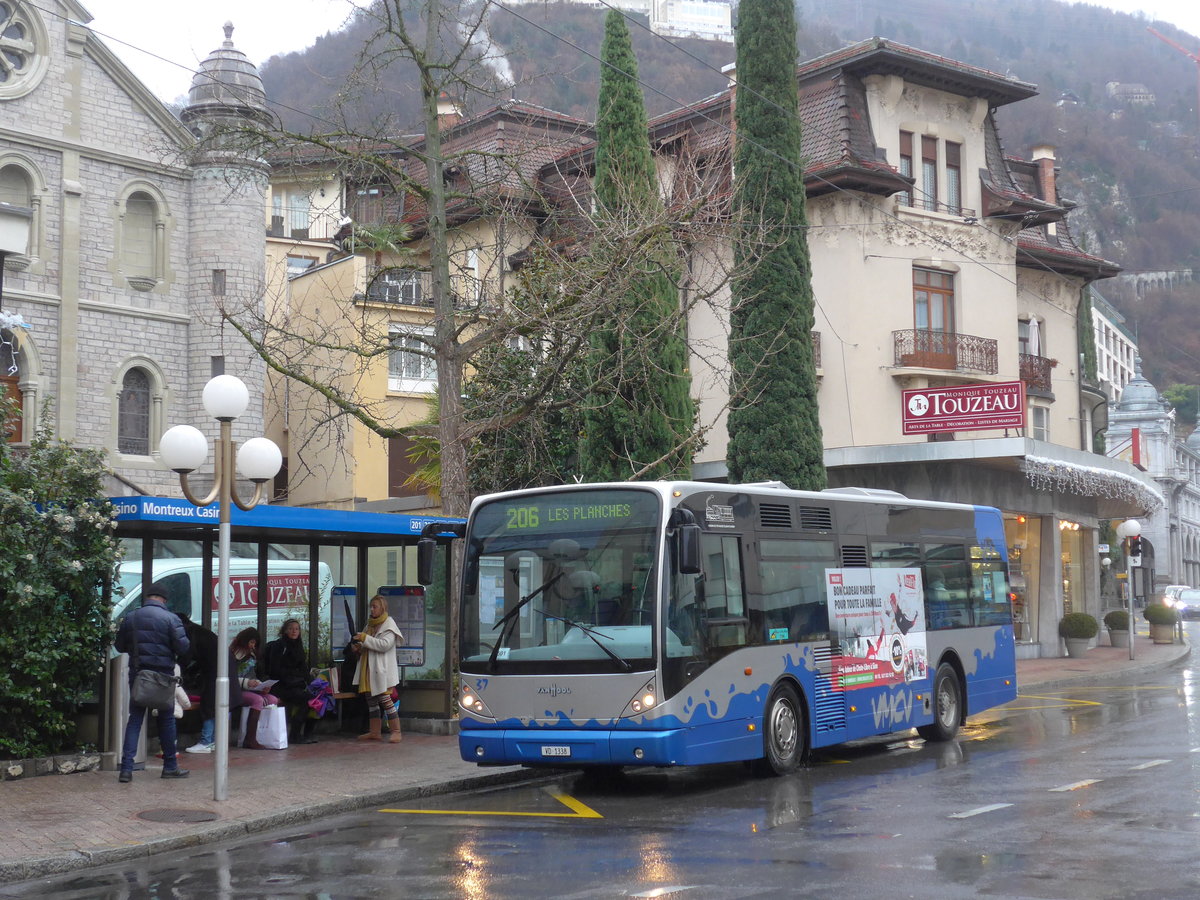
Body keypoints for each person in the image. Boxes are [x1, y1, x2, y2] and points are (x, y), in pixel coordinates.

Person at [113, 582, 191, 783]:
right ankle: (170, 766)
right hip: (164, 677)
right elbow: (183, 648)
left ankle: (126, 770)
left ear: (148, 598)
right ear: (164, 600)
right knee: (166, 720)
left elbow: (120, 645)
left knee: (135, 719)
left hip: (139, 675)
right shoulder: (171, 619)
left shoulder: (132, 617)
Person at [353, 594, 405, 743]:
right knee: (371, 700)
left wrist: (364, 639)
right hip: (369, 668)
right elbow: (368, 644)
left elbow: (384, 645)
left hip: (382, 670)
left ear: (382, 608)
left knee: (385, 699)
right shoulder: (370, 625)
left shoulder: (389, 624)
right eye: (371, 606)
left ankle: (396, 731)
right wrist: (358, 647)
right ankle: (374, 731)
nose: (372, 609)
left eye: (375, 606)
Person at [264, 618, 317, 744]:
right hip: (281, 685)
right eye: (291, 629)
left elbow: (303, 668)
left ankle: (307, 733)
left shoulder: (298, 646)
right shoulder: (279, 645)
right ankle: (295, 734)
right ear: (285, 631)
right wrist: (294, 675)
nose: (294, 631)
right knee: (305, 699)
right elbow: (275, 670)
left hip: (295, 685)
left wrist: (312, 682)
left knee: (316, 698)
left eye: (297, 629)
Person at [231, 627, 279, 750]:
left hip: (250, 689)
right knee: (258, 700)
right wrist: (248, 683)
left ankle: (264, 735)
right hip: (236, 690)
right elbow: (230, 678)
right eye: (251, 642)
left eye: (254, 643)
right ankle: (250, 738)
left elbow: (253, 675)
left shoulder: (252, 656)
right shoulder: (232, 655)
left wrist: (261, 685)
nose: (252, 646)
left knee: (273, 699)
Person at [178, 615, 218, 753]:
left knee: (209, 705)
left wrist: (179, 670)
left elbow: (187, 656)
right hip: (218, 670)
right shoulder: (200, 631)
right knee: (214, 705)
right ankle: (212, 741)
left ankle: (206, 741)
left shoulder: (191, 633)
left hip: (215, 672)